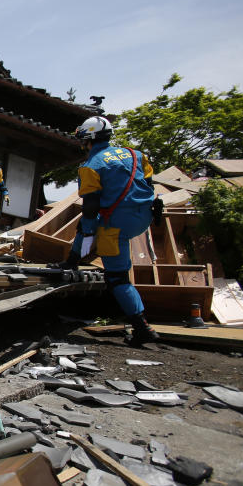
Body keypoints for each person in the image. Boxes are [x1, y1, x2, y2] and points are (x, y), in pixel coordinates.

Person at [61, 115, 160, 346]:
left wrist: (84, 238)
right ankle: (73, 259)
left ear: (88, 140)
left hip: (116, 224)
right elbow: (149, 182)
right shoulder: (136, 154)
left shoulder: (91, 166)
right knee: (95, 228)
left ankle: (142, 327)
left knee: (117, 277)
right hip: (144, 217)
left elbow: (90, 208)